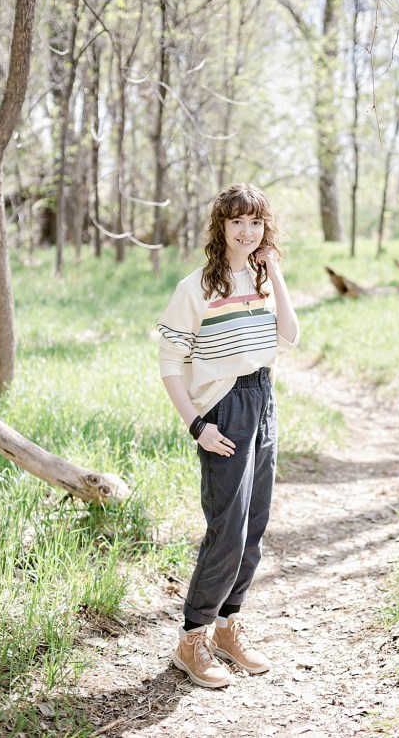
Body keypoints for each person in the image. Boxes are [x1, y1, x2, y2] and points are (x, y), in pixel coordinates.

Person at [156, 183, 299, 688]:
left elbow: (290, 335)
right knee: (228, 530)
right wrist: (197, 423)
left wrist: (275, 270)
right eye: (237, 221)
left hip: (264, 400)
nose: (247, 231)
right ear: (220, 226)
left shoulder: (262, 280)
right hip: (224, 407)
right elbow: (170, 362)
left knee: (254, 525)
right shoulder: (194, 288)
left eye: (256, 222)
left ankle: (226, 628)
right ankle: (191, 641)